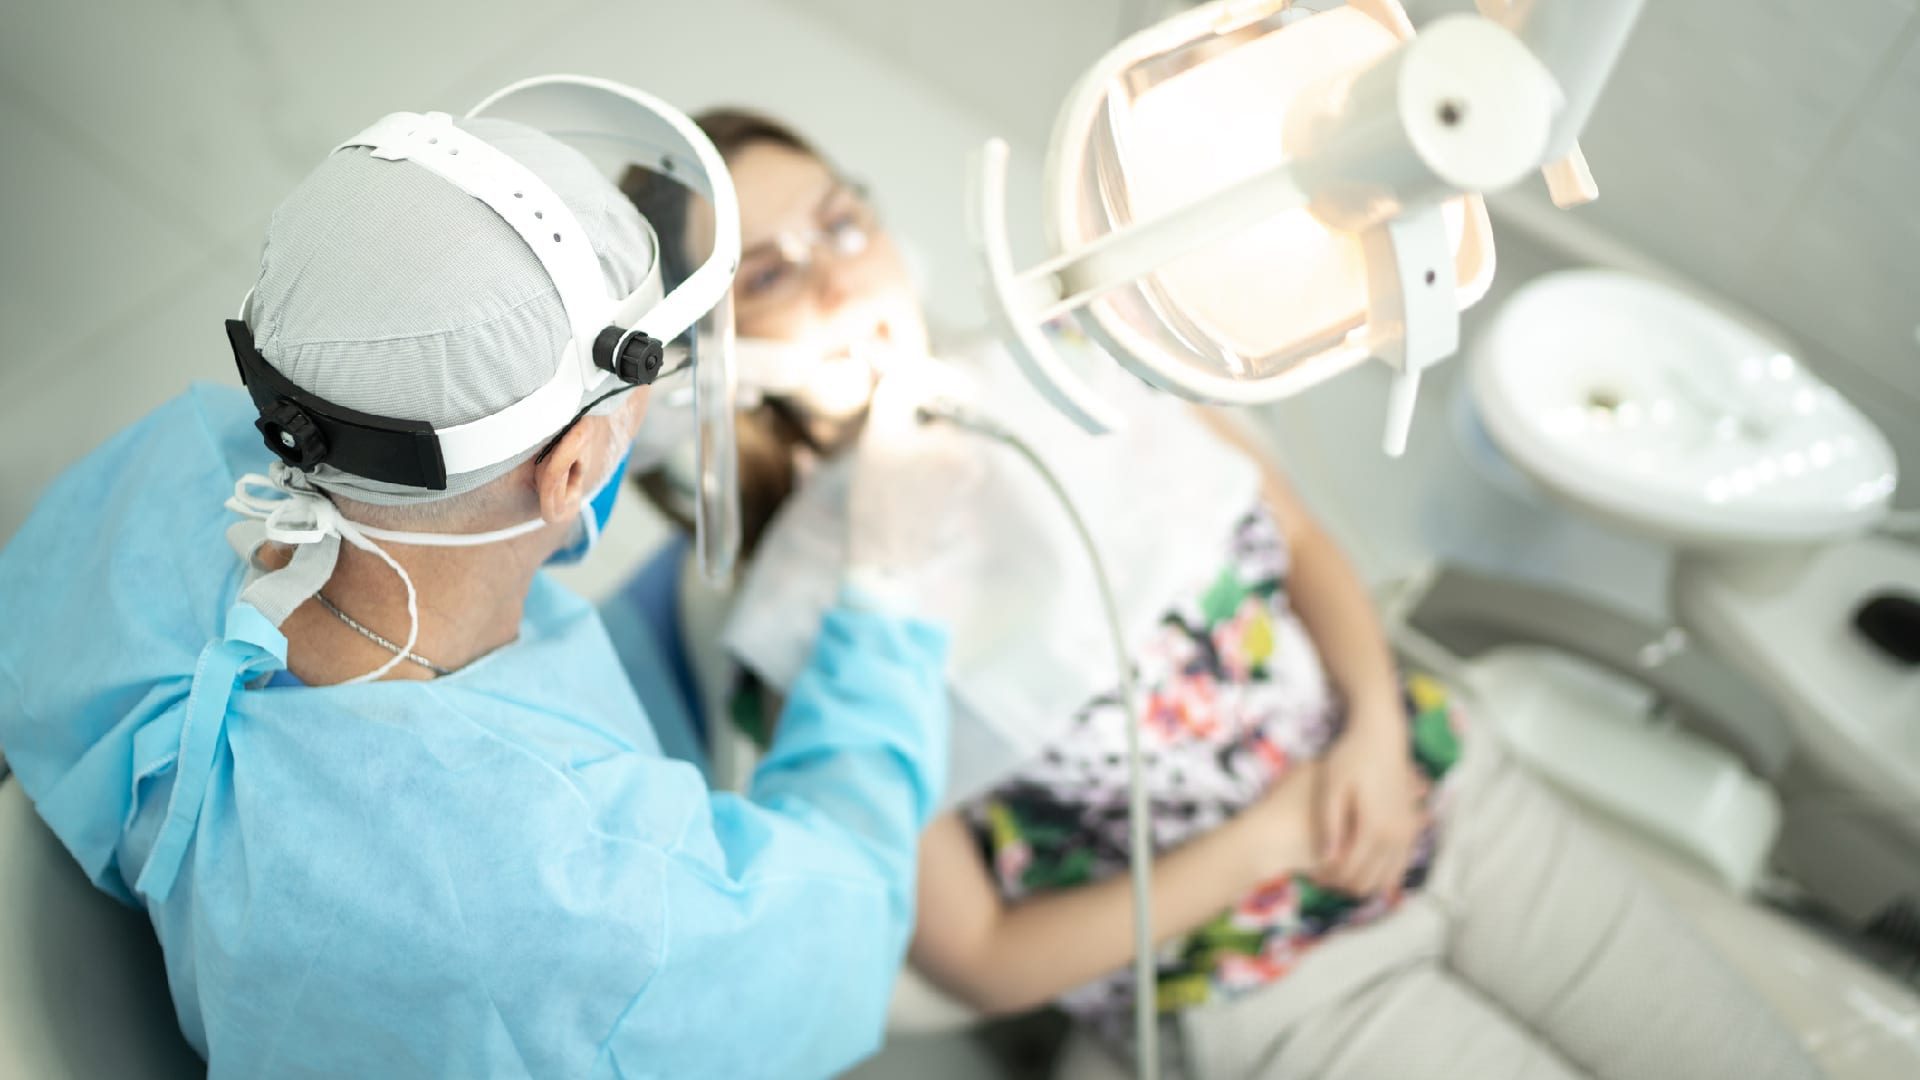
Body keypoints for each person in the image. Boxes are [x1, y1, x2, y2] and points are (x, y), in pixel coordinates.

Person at [615, 108, 1825, 1080]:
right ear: (703, 362)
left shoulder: (1078, 365)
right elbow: (977, 958)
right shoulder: (804, 646)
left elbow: (1297, 537)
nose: (838, 278)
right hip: (1264, 989)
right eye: (767, 275)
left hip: (1436, 795)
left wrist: (1374, 725)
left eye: (841, 222)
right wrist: (1277, 835)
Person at [0, 89, 955, 1079]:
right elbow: (851, 928)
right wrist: (883, 587)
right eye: (640, 391)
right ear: (574, 471)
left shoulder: (164, 475)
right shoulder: (575, 904)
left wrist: (616, 424)